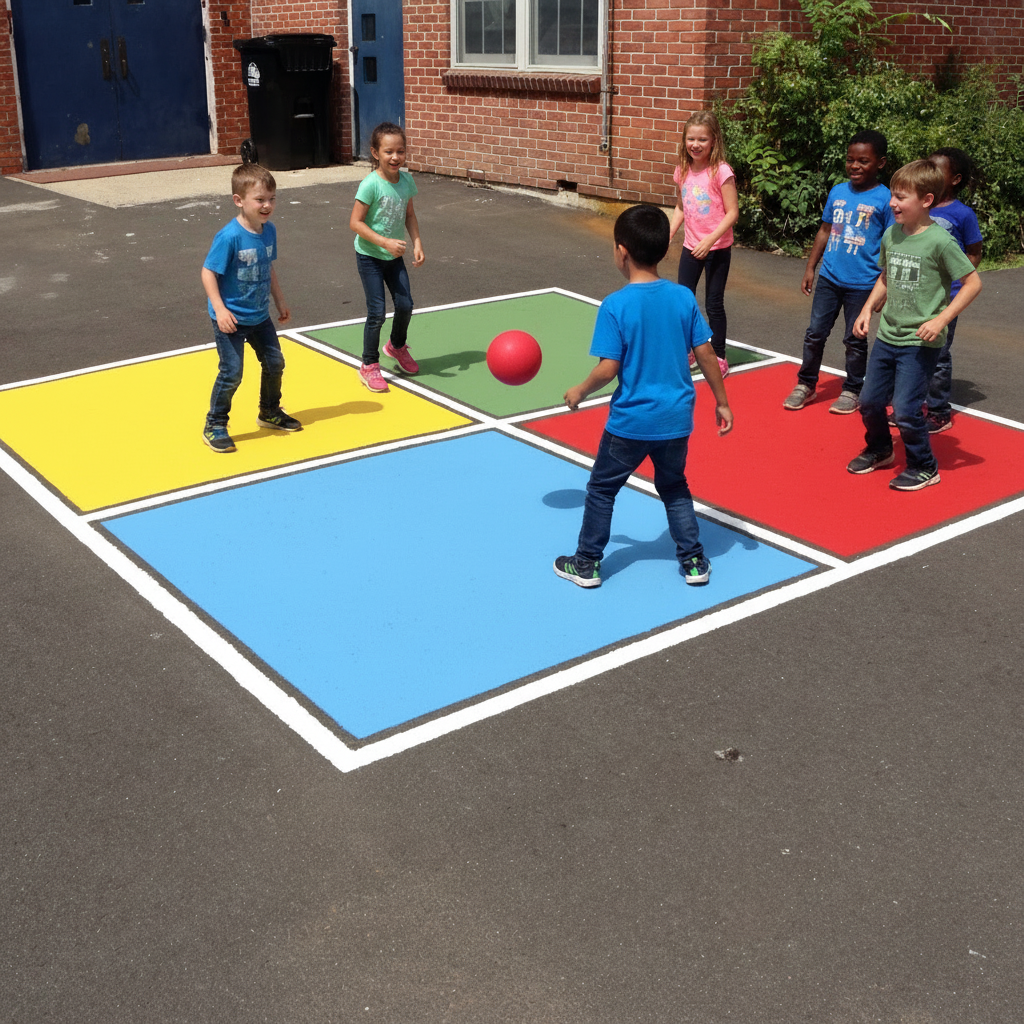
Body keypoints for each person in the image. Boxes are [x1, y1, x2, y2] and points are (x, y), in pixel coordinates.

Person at [554, 205, 733, 589]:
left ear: (622, 251)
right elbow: (705, 353)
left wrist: (580, 390)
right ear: (665, 251)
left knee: (602, 489)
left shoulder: (616, 305)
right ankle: (694, 561)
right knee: (673, 486)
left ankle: (586, 563)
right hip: (675, 419)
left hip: (631, 423)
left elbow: (609, 367)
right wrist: (721, 400)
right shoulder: (683, 297)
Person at [847, 159, 981, 491]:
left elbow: (973, 282)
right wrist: (867, 310)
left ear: (926, 201)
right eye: (893, 195)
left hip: (920, 342)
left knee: (906, 409)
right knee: (870, 402)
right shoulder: (892, 233)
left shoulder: (941, 241)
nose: (893, 203)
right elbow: (886, 276)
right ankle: (880, 449)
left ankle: (924, 465)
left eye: (901, 197)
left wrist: (942, 319)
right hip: (888, 334)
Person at [783, 129, 893, 414]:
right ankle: (806, 384)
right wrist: (811, 267)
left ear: (880, 163)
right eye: (850, 160)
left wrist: (885, 287)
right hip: (830, 278)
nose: (855, 166)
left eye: (863, 161)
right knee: (815, 333)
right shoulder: (838, 191)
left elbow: (893, 245)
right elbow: (824, 231)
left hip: (863, 284)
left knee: (854, 340)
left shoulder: (886, 200)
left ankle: (853, 389)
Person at [201, 163, 299, 454]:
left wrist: (279, 300)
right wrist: (220, 310)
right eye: (259, 200)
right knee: (232, 372)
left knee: (274, 363)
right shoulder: (229, 236)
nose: (267, 205)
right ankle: (215, 424)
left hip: (259, 316)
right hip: (231, 318)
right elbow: (208, 273)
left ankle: (269, 411)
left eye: (271, 198)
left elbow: (267, 267)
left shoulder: (268, 232)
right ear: (239, 200)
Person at [349, 121, 425, 393]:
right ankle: (369, 365)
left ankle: (396, 346)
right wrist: (384, 242)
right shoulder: (370, 185)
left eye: (400, 151)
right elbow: (355, 223)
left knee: (405, 304)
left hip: (394, 257)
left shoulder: (406, 181)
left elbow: (409, 215)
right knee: (377, 312)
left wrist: (416, 242)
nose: (395, 157)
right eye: (389, 152)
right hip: (370, 256)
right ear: (375, 153)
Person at [668, 110, 739, 379]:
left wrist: (710, 240)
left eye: (702, 139)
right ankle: (687, 350)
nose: (695, 145)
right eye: (691, 139)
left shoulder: (721, 172)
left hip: (717, 249)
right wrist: (669, 235)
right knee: (684, 301)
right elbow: (680, 206)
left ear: (713, 141)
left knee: (713, 303)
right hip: (691, 246)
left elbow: (732, 212)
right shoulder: (683, 169)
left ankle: (719, 355)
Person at [923, 147, 983, 434]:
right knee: (911, 348)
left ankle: (937, 410)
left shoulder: (963, 214)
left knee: (939, 353)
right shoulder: (919, 207)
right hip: (918, 293)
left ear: (955, 179)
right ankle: (910, 404)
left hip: (947, 297)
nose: (930, 173)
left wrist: (958, 283)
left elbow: (973, 252)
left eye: (938, 169)